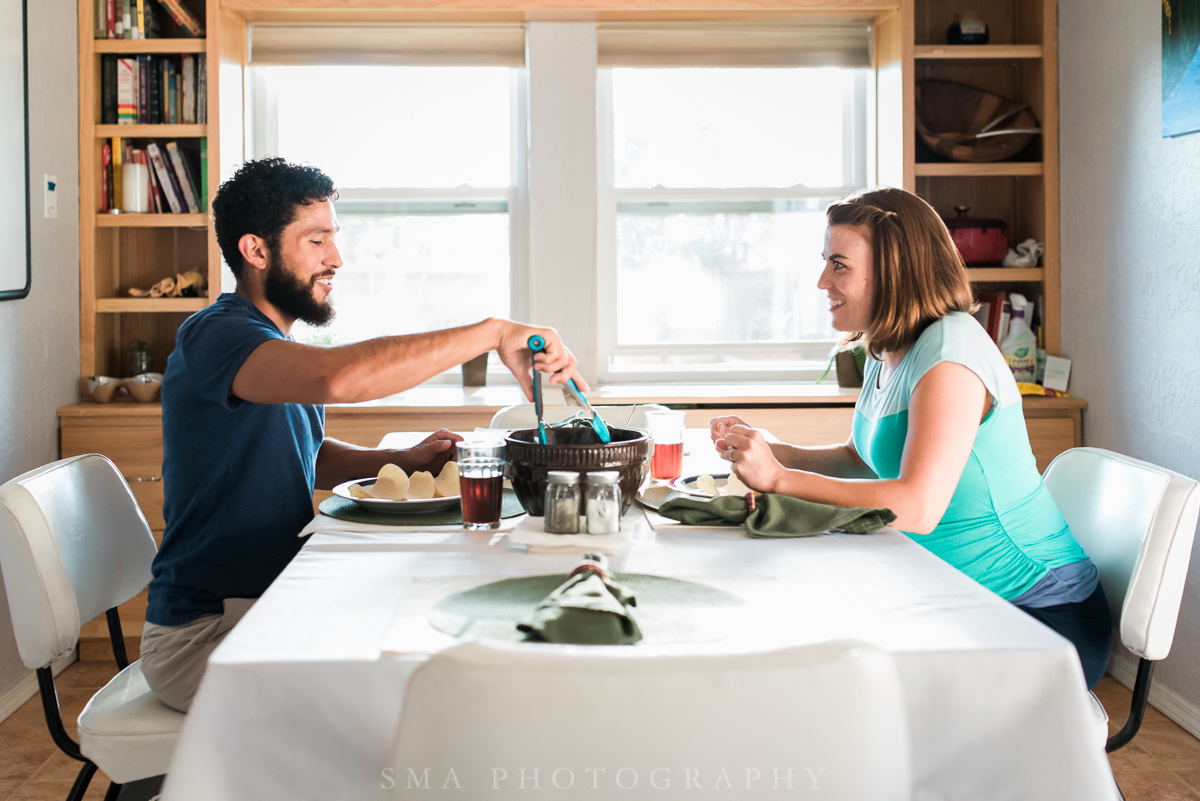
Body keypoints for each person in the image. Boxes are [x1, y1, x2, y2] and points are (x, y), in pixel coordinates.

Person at [141, 158, 586, 711]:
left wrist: (403, 459)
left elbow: (300, 451)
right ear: (256, 251)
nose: (336, 259)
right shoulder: (217, 334)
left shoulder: (264, 345)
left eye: (333, 239)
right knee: (424, 692)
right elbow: (342, 377)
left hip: (263, 602)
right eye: (316, 241)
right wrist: (492, 333)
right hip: (208, 636)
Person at [710, 187, 1110, 688]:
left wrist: (782, 479)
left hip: (1037, 617)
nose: (821, 281)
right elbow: (862, 458)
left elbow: (917, 507)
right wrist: (771, 450)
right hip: (956, 596)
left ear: (897, 269)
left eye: (839, 265)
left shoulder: (951, 352)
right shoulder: (890, 350)